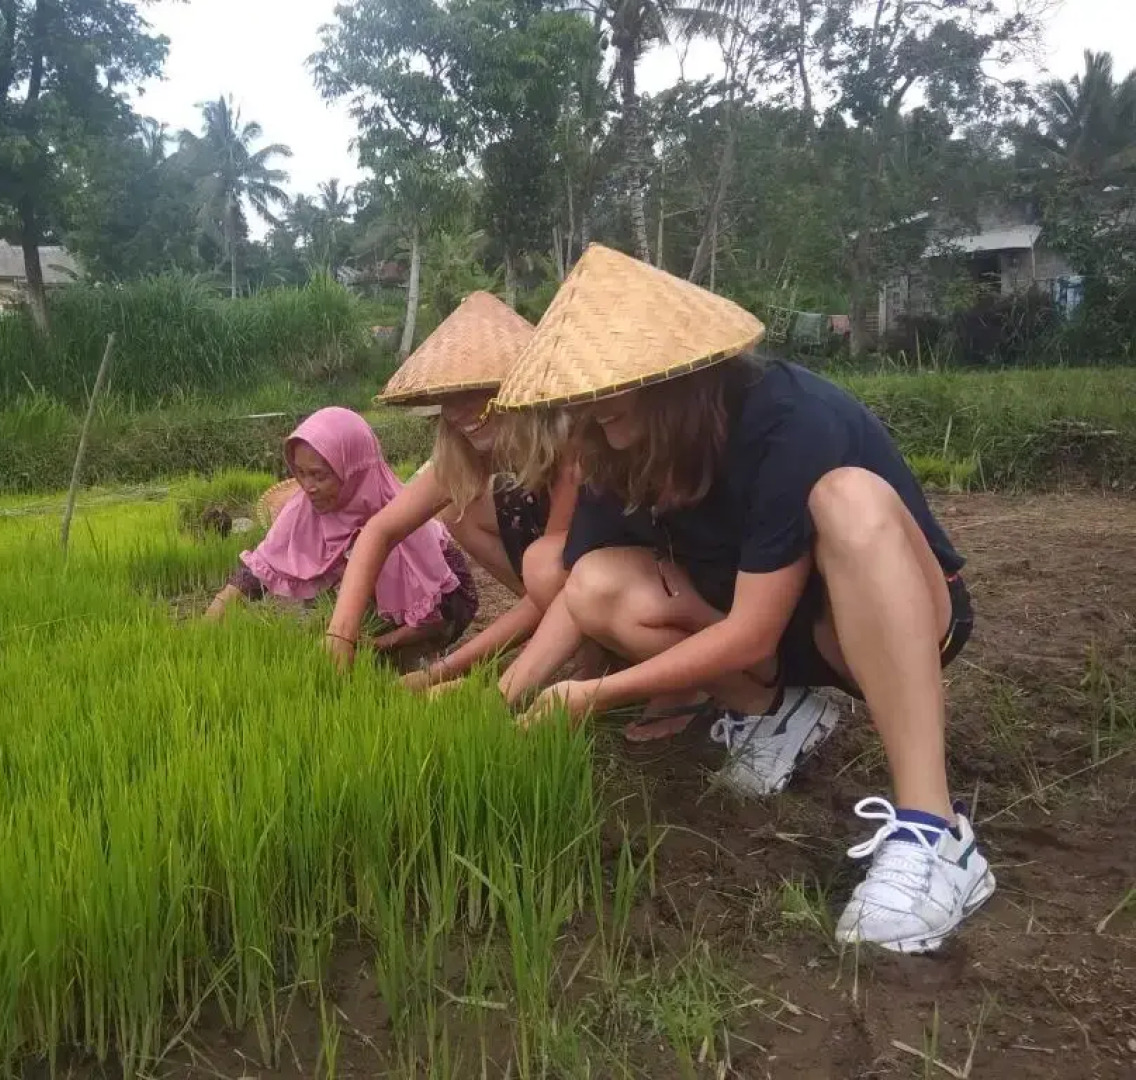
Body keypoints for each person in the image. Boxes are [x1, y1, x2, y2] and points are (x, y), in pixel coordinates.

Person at [491, 245, 991, 955]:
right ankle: (776, 714)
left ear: (669, 374)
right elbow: (578, 597)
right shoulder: (615, 445)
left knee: (847, 498)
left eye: (610, 383)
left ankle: (934, 831)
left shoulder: (790, 418)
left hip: (883, 624)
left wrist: (590, 697)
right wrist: (504, 697)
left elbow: (753, 633)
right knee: (599, 579)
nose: (592, 405)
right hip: (773, 631)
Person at [324, 292, 579, 685]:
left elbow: (554, 578)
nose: (460, 412)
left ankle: (581, 639)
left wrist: (443, 671)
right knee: (459, 507)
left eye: (477, 393)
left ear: (517, 390)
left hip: (608, 571)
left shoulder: (571, 452)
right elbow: (380, 530)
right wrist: (339, 636)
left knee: (550, 575)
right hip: (550, 570)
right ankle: (557, 629)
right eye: (448, 398)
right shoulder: (465, 454)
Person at [206, 406, 477, 652]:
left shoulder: (403, 518)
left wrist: (377, 644)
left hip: (432, 620)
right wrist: (214, 613)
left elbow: (443, 614)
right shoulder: (305, 510)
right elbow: (261, 568)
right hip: (360, 618)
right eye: (300, 473)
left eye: (319, 475)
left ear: (353, 471)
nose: (307, 486)